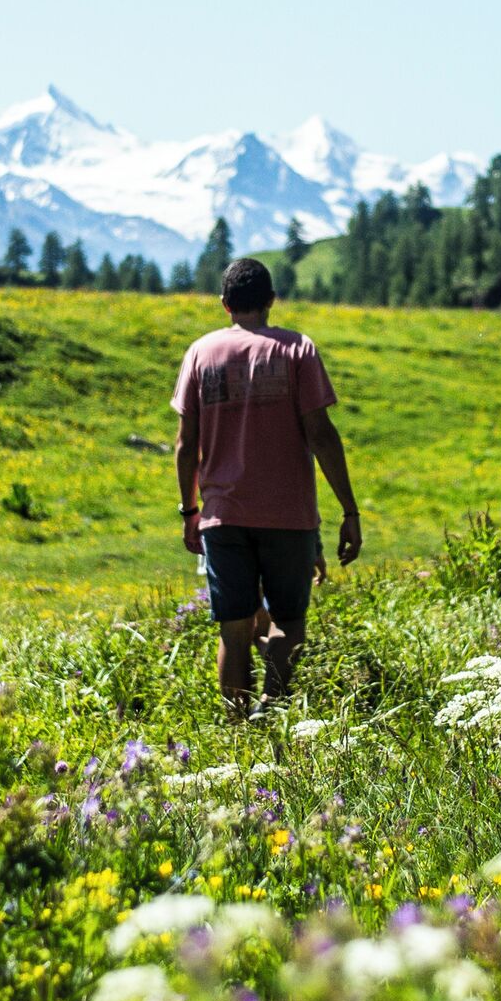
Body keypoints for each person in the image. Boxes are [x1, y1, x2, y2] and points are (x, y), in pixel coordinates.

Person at [172, 257, 361, 717]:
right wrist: (348, 510)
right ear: (271, 301)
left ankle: (238, 732)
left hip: (222, 515)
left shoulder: (201, 352)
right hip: (288, 516)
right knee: (289, 622)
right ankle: (271, 707)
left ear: (225, 304)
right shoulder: (298, 350)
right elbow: (321, 433)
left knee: (233, 630)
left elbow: (185, 444)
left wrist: (189, 511)